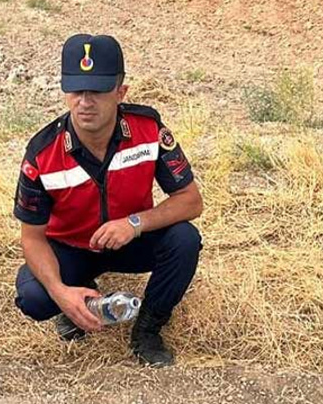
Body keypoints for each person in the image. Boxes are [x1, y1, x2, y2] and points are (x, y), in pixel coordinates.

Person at [13, 34, 204, 367]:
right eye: (75, 90)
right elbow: (31, 238)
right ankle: (80, 299)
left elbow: (190, 201)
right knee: (34, 295)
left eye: (97, 91)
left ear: (121, 92)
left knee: (185, 239)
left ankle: (148, 329)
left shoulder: (148, 130)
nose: (85, 102)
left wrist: (135, 223)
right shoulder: (42, 153)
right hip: (71, 248)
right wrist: (62, 293)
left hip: (130, 241)